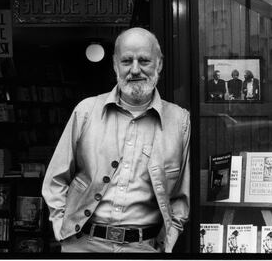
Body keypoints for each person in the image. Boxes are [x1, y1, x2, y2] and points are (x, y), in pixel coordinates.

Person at [42, 27, 190, 253]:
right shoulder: (86, 111)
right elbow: (55, 180)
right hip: (83, 245)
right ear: (114, 65)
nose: (135, 69)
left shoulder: (179, 121)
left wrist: (168, 242)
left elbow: (180, 197)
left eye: (144, 60)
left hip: (144, 249)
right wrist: (63, 230)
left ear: (159, 64)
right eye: (126, 60)